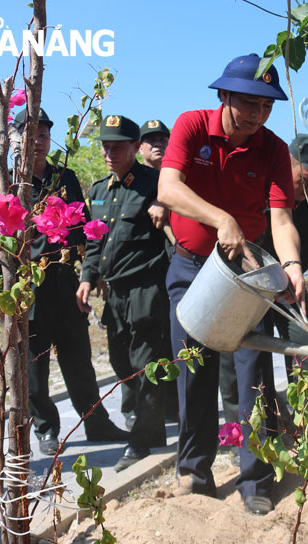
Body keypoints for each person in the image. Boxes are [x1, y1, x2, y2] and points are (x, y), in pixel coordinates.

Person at [157, 53, 305, 516]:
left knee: (252, 376)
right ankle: (195, 473)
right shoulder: (192, 127)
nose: (258, 114)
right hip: (190, 268)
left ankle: (254, 478)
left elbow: (280, 218)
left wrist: (292, 264)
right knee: (193, 373)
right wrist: (220, 218)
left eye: (267, 106)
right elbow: (167, 188)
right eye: (249, 103)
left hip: (246, 274)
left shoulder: (275, 150)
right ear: (224, 95)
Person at [0, 109, 129, 455]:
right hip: (29, 288)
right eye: (30, 135)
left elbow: (83, 228)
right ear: (16, 139)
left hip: (66, 284)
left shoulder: (64, 176)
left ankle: (96, 422)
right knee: (35, 369)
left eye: (43, 135)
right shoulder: (6, 184)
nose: (37, 142)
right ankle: (46, 429)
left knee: (79, 359)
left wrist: (89, 274)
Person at [219, 133, 308, 442]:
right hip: (241, 286)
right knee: (236, 354)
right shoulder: (253, 184)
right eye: (306, 178)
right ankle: (246, 433)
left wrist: (290, 279)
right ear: (287, 162)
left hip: (286, 286)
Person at [76, 114, 172, 471]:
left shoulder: (156, 184)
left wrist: (167, 208)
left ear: (135, 147)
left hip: (147, 287)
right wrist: (87, 277)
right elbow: (93, 240)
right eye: (105, 146)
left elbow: (177, 228)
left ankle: (141, 439)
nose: (109, 152)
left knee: (145, 364)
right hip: (113, 291)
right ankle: (148, 426)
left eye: (118, 146)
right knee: (120, 362)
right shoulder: (99, 190)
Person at [138, 119, 179, 424]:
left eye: (163, 139)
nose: (158, 145)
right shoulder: (132, 180)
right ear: (138, 147)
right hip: (144, 279)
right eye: (150, 140)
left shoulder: (180, 177)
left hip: (175, 270)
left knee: (175, 342)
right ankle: (146, 409)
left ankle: (176, 407)